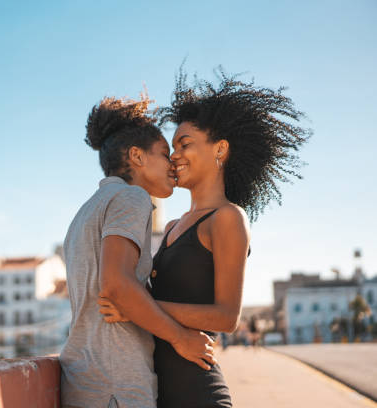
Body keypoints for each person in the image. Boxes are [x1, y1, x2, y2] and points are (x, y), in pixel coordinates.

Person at [99, 69, 310, 407]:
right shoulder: (171, 228)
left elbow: (226, 317)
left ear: (220, 150)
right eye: (172, 148)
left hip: (199, 393)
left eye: (185, 144)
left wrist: (137, 308)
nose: (174, 156)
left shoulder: (227, 219)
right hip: (158, 394)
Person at [60, 94, 216, 408]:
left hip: (84, 382)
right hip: (117, 385)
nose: (172, 162)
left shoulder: (84, 212)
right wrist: (181, 338)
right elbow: (116, 284)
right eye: (163, 153)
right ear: (137, 156)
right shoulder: (132, 198)